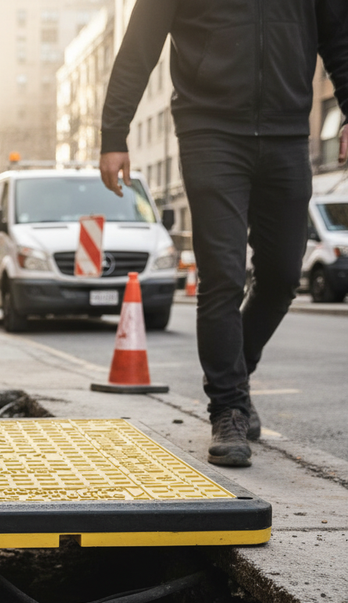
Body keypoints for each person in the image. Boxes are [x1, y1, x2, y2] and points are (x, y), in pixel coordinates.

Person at [100, 0, 348, 468]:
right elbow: (139, 46)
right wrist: (113, 134)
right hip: (209, 129)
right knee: (223, 274)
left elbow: (339, 39)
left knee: (280, 276)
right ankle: (228, 409)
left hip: (288, 133)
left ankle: (238, 370)